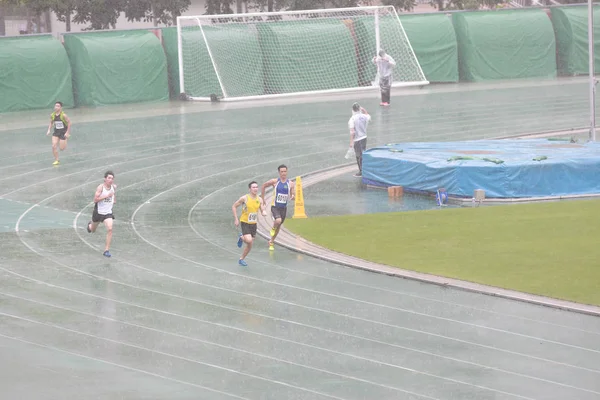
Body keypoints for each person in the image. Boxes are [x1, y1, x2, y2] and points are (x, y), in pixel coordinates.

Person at [232, 181, 267, 266]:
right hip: (245, 222)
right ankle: (241, 236)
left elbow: (262, 208)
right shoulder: (245, 198)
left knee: (250, 243)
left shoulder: (259, 199)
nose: (255, 189)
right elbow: (234, 206)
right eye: (253, 187)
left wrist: (263, 212)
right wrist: (236, 219)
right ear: (249, 189)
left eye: (256, 187)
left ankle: (241, 259)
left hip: (253, 223)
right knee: (249, 240)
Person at [261, 165, 294, 251]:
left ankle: (271, 241)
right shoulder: (275, 181)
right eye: (281, 172)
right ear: (279, 173)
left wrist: (293, 196)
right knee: (278, 221)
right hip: (275, 206)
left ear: (287, 172)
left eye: (285, 171)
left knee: (279, 226)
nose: (283, 173)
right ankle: (273, 228)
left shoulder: (290, 183)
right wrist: (263, 198)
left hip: (283, 208)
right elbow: (264, 186)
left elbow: (292, 194)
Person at [87, 171, 116, 258]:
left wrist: (113, 199)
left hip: (108, 213)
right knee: (92, 230)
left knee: (110, 229)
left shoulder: (113, 187)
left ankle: (106, 250)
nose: (110, 180)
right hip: (98, 213)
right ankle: (89, 226)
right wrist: (106, 196)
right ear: (105, 179)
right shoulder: (100, 188)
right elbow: (95, 200)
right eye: (109, 178)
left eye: (112, 178)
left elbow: (113, 195)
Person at [348, 103, 370, 177]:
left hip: (357, 139)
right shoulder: (364, 116)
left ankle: (361, 171)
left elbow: (352, 132)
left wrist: (351, 142)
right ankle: (365, 169)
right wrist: (364, 110)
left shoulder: (352, 119)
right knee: (363, 154)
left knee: (358, 155)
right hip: (364, 137)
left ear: (353, 110)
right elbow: (368, 116)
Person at [46, 101, 71, 165]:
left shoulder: (64, 115)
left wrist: (67, 132)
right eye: (55, 106)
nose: (56, 107)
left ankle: (65, 139)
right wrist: (49, 130)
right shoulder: (52, 115)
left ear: (61, 107)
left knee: (62, 148)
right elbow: (51, 122)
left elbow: (69, 123)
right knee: (54, 146)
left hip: (63, 132)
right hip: (56, 132)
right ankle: (57, 160)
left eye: (58, 106)